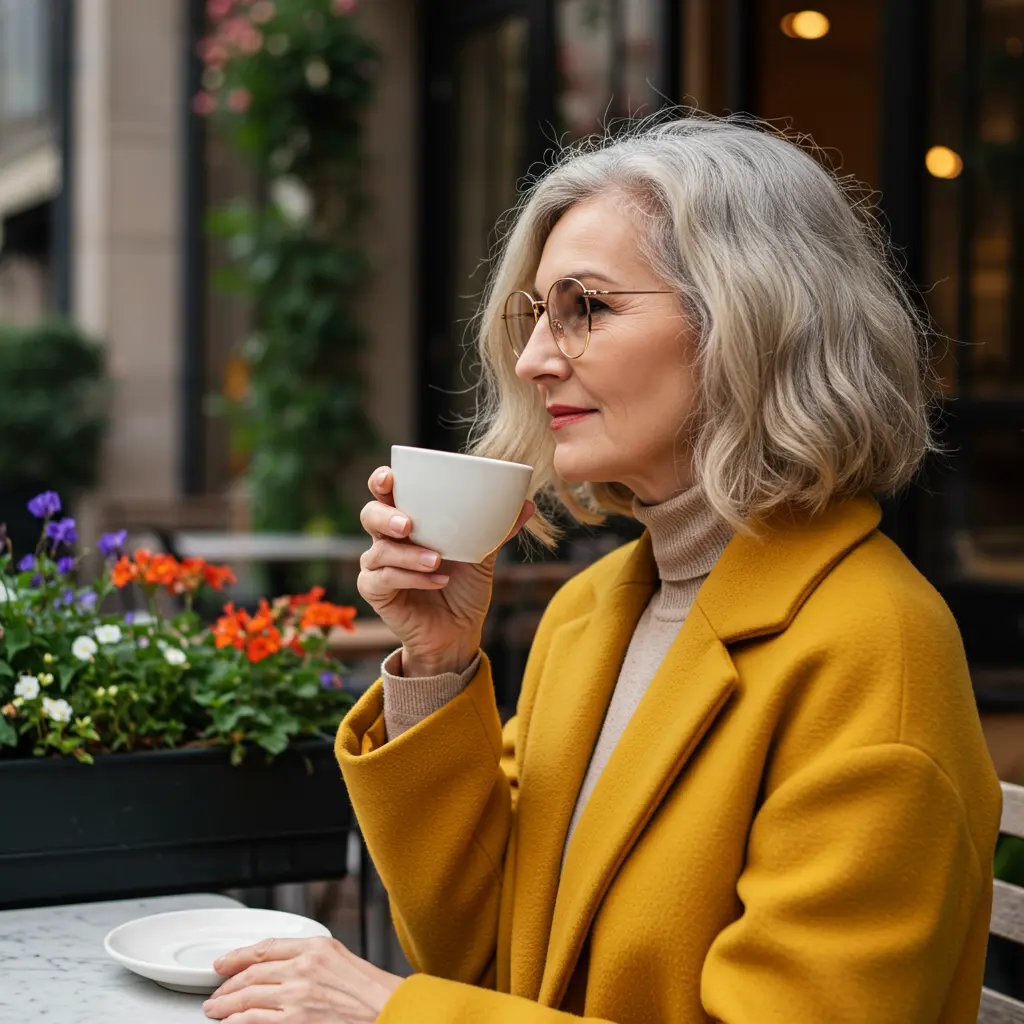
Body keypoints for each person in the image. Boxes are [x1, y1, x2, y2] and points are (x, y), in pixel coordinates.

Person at [203, 115, 1002, 1024]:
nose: (536, 358)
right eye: (536, 314)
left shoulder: (873, 649)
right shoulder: (596, 610)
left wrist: (393, 1014)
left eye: (587, 306)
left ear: (751, 319)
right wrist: (437, 659)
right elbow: (480, 952)